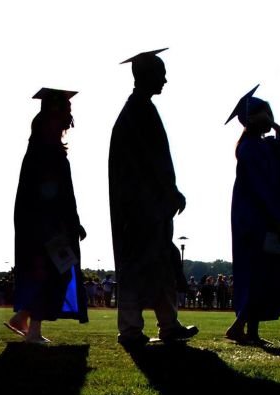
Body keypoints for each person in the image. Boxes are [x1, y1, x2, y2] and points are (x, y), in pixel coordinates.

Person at [109, 48, 198, 347]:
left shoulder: (138, 109)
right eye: (161, 74)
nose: (166, 80)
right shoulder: (138, 111)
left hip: (149, 207)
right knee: (138, 267)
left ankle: (168, 324)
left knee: (161, 264)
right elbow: (150, 162)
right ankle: (131, 328)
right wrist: (168, 192)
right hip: (140, 209)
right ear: (147, 76)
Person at [6, 89, 88, 344]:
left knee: (53, 273)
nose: (69, 119)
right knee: (54, 273)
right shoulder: (48, 151)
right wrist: (71, 223)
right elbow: (55, 193)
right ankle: (30, 327)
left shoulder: (39, 148)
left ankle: (26, 320)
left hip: (42, 224)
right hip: (48, 226)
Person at [223, 86, 280, 345]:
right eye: (265, 113)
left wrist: (273, 123)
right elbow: (260, 189)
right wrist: (276, 222)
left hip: (265, 217)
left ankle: (246, 329)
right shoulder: (248, 149)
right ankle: (245, 329)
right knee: (256, 273)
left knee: (265, 274)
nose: (270, 116)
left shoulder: (267, 146)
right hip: (254, 220)